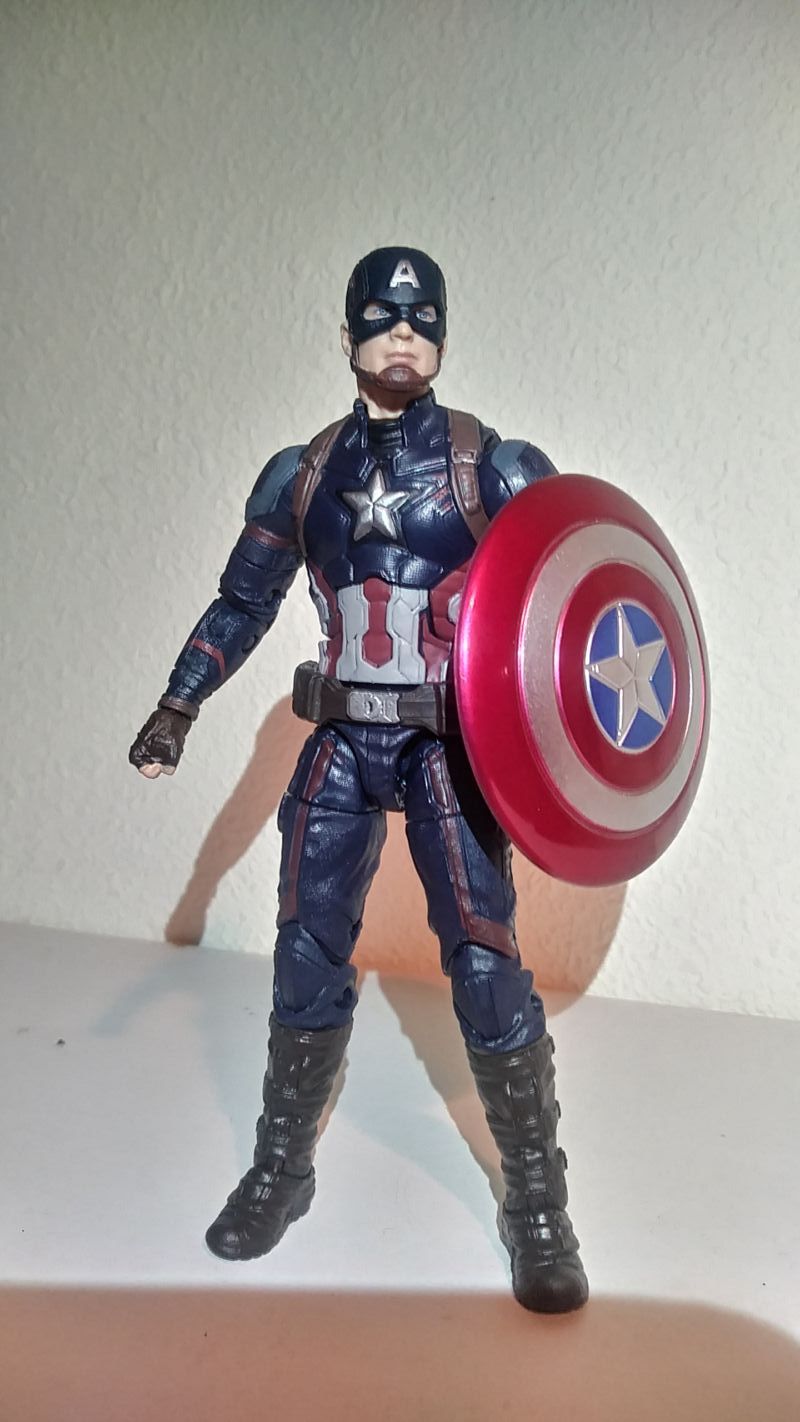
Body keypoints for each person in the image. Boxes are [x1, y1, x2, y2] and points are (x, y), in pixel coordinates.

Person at [130, 246, 589, 1313]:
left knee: (484, 965)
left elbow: (571, 599)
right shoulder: (303, 474)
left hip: (443, 746)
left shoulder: (491, 468)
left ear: (443, 338)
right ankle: (281, 1168)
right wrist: (179, 702)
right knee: (304, 951)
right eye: (381, 318)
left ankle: (535, 1202)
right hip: (339, 739)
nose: (402, 335)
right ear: (346, 337)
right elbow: (242, 601)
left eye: (421, 320)